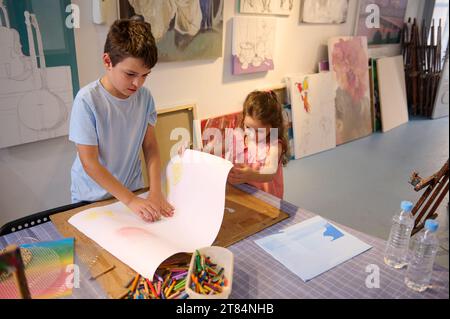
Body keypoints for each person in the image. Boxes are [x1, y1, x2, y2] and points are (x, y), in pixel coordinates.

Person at [69, 18, 174, 222]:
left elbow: (151, 147)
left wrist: (155, 191)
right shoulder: (87, 100)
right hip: (91, 198)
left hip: (132, 191)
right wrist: (131, 201)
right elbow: (89, 163)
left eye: (145, 75)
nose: (138, 83)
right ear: (108, 61)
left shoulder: (144, 98)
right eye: (130, 74)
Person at [203, 90, 290, 199]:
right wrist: (189, 152)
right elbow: (210, 151)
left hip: (268, 205)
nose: (251, 134)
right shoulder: (237, 136)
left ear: (273, 127)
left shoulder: (274, 145)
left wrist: (251, 174)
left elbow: (270, 171)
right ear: (243, 119)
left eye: (259, 131)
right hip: (242, 199)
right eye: (248, 127)